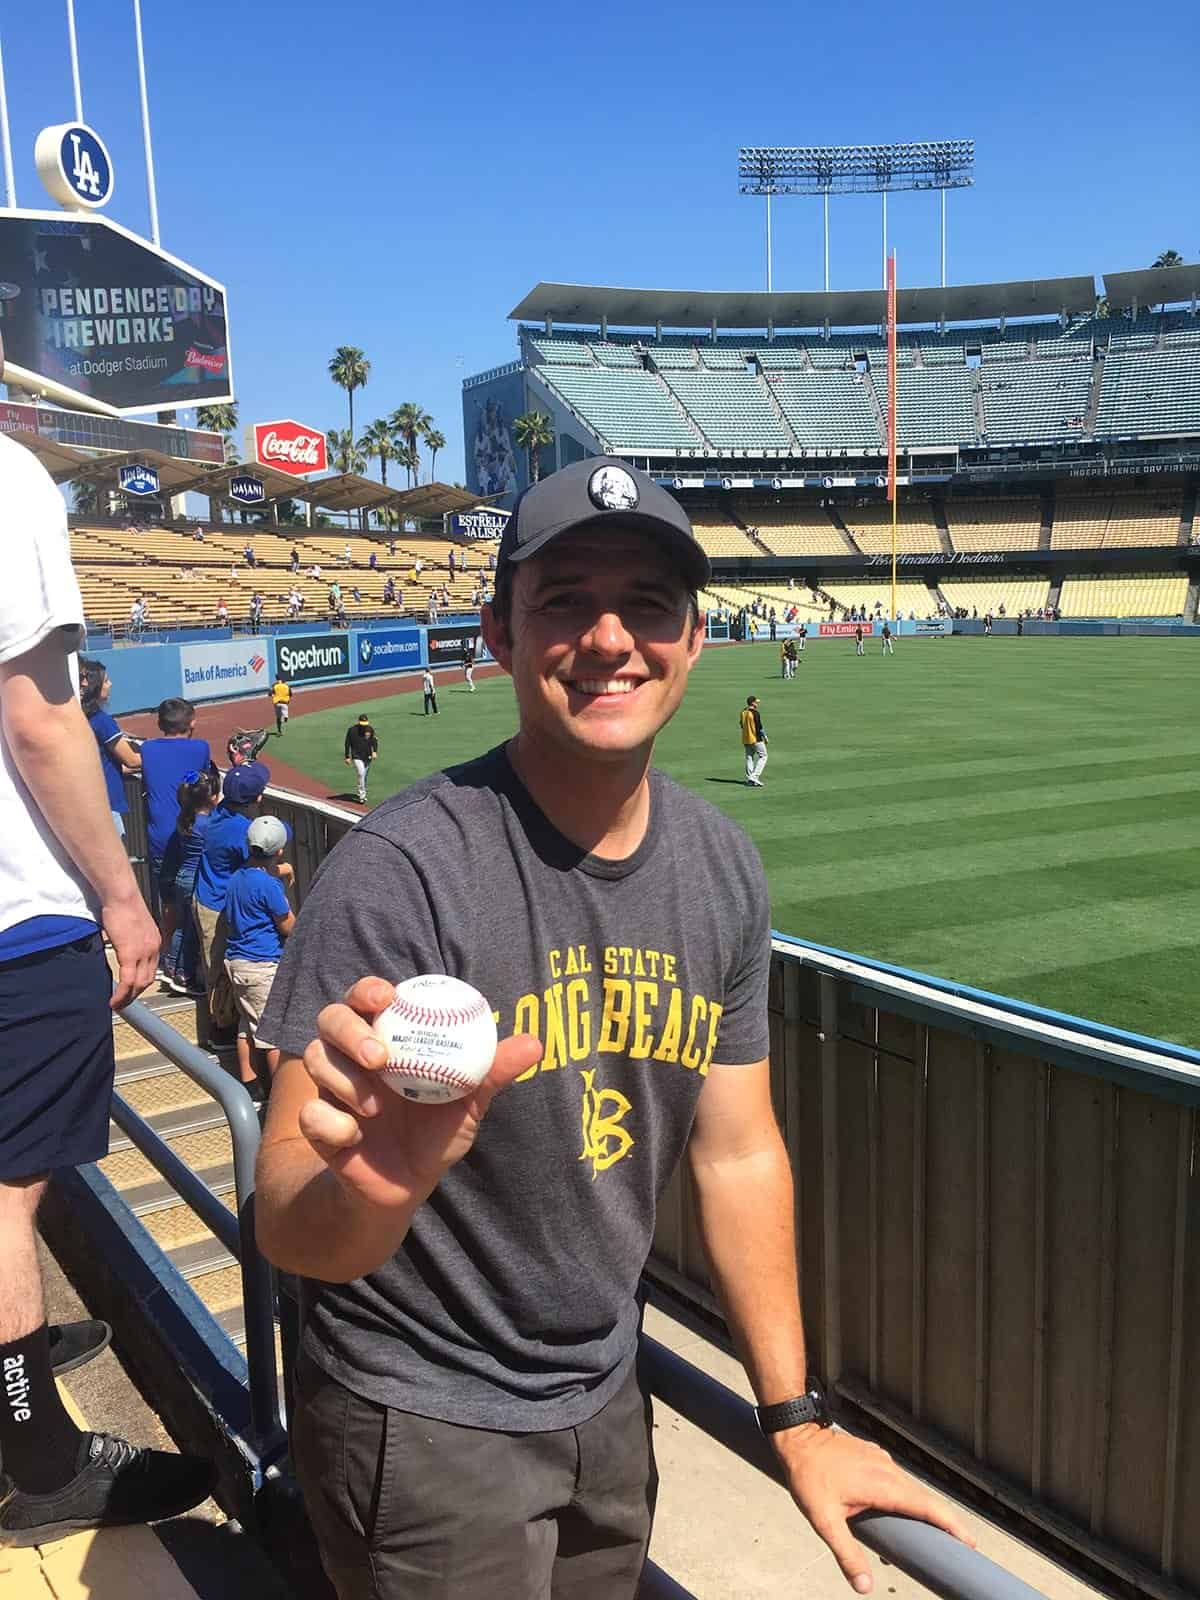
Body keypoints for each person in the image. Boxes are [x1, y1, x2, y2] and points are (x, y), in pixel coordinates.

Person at [253, 456, 968, 1600]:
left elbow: (736, 1149)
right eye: (566, 597)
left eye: (647, 603)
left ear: (691, 638)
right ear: (499, 630)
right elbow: (290, 1221)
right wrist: (373, 1194)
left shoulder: (721, 864)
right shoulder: (403, 871)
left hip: (606, 1396)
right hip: (422, 1415)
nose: (609, 637)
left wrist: (792, 1415)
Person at [0, 428, 214, 1546]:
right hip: (12, 919)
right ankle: (34, 1453)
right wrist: (122, 898)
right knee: (3, 1189)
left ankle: (12, 1366)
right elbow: (39, 718)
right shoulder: (4, 474)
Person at [222, 815, 295, 1103]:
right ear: (278, 851)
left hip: (237, 963)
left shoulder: (237, 877)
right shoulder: (268, 886)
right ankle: (282, 1096)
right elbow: (287, 925)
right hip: (262, 966)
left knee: (247, 1026)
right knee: (271, 1032)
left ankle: (250, 1086)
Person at [192, 761, 269, 997]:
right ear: (256, 798)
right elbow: (258, 864)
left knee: (215, 968)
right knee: (217, 975)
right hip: (215, 907)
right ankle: (218, 1029)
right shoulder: (240, 831)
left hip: (207, 895)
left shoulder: (223, 810)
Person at [138, 697, 214, 886]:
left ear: (160, 723)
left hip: (160, 838)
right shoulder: (201, 747)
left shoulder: (147, 749)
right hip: (193, 834)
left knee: (169, 902)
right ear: (191, 723)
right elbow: (205, 783)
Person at [158, 771, 217, 996]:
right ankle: (185, 973)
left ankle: (172, 965)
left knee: (183, 926)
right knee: (193, 929)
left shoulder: (186, 820)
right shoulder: (206, 824)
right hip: (195, 880)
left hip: (183, 878)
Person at [79, 658, 141, 843]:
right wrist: (164, 754)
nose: (110, 684)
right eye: (106, 680)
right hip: (107, 805)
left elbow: (108, 765)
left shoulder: (79, 717)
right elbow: (132, 760)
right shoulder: (102, 720)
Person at [343, 714, 379, 805]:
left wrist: (375, 751)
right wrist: (347, 756)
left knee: (364, 776)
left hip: (367, 756)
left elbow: (374, 741)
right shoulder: (352, 730)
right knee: (361, 773)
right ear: (358, 722)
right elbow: (347, 743)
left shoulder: (370, 729)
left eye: (365, 724)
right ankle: (361, 796)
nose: (364, 726)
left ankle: (363, 792)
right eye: (362, 724)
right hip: (356, 756)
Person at [740, 693, 768, 786]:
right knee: (763, 756)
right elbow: (759, 727)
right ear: (752, 703)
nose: (757, 704)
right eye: (756, 702)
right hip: (756, 739)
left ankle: (749, 779)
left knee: (749, 758)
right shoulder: (755, 713)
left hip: (746, 739)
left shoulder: (743, 712)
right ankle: (755, 776)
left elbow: (741, 725)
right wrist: (765, 737)